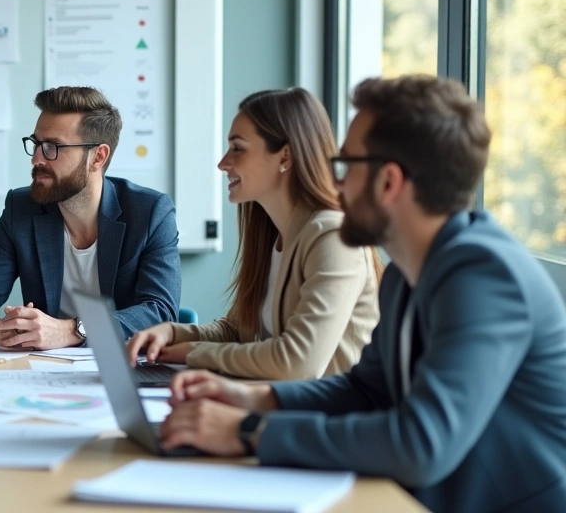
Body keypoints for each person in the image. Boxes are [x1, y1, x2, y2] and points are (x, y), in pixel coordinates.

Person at [156, 76, 566, 513]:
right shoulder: (406, 273)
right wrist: (253, 398)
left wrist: (248, 431)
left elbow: (421, 444)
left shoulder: (483, 275)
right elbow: (366, 390)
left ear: (389, 182)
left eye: (346, 166)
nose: (336, 185)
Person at [127, 88, 380, 379]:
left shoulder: (333, 237)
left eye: (237, 148)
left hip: (328, 408)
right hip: (278, 400)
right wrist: (172, 333)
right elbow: (236, 331)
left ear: (285, 155)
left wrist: (193, 352)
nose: (223, 163)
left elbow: (298, 362)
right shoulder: (272, 235)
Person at [0, 86, 181, 350]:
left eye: (53, 147)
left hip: (119, 364)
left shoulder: (150, 212)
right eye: (36, 144)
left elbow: (161, 311)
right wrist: (0, 328)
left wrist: (71, 330)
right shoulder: (22, 208)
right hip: (41, 366)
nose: (37, 159)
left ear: (98, 157)